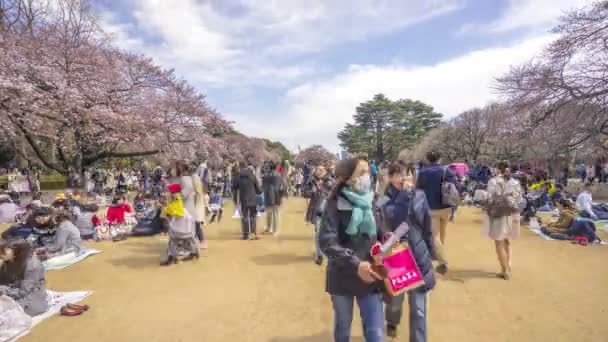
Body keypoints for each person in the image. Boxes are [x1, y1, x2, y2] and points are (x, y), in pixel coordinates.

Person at [319, 157, 384, 342]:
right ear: (348, 178)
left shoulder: (374, 200)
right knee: (343, 328)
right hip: (342, 276)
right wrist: (356, 264)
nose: (367, 176)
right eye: (362, 172)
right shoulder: (333, 204)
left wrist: (389, 243)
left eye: (368, 172)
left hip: (372, 275)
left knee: (375, 332)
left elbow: (382, 232)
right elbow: (327, 242)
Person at [378, 163, 435, 341]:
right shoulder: (383, 200)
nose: (404, 178)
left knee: (419, 309)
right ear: (391, 177)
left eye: (408, 174)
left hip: (419, 255)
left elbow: (427, 225)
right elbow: (389, 222)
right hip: (398, 257)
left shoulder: (420, 196)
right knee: (395, 304)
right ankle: (392, 321)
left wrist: (430, 250)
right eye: (400, 175)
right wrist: (403, 197)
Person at [415, 151, 458, 275]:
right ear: (439, 158)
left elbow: (418, 189)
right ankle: (439, 256)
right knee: (442, 233)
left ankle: (442, 260)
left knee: (433, 236)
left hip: (430, 207)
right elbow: (456, 186)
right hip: (446, 206)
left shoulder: (422, 172)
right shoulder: (446, 171)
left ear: (428, 159)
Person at [485, 161, 522, 280]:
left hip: (499, 213)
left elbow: (490, 197)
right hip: (513, 212)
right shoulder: (516, 182)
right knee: (507, 239)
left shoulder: (493, 181)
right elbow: (520, 198)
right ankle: (509, 263)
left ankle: (504, 269)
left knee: (499, 242)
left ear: (498, 169)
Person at [0, 239, 48, 316]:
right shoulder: (7, 263)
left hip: (30, 298)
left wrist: (4, 290)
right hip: (12, 293)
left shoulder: (32, 266)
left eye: (3, 251)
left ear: (18, 251)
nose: (1, 254)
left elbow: (24, 291)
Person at [160, 184, 199, 266]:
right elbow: (173, 209)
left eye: (168, 191)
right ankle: (194, 253)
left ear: (173, 192)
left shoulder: (176, 199)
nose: (167, 193)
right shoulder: (176, 199)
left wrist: (168, 211)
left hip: (181, 223)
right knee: (188, 239)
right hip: (185, 223)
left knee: (173, 240)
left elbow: (178, 212)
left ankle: (172, 258)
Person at [233, 161, 262, 240]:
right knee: (253, 216)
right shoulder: (253, 176)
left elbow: (235, 187)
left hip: (243, 199)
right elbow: (259, 190)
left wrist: (235, 200)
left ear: (241, 167)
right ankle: (253, 234)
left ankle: (245, 235)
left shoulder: (238, 176)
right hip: (253, 198)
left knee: (245, 216)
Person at [262, 161, 285, 237]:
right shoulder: (280, 176)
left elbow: (263, 186)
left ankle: (268, 228)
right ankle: (275, 230)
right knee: (276, 214)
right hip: (277, 196)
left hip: (268, 196)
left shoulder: (266, 176)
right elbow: (284, 186)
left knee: (269, 213)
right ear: (276, 168)